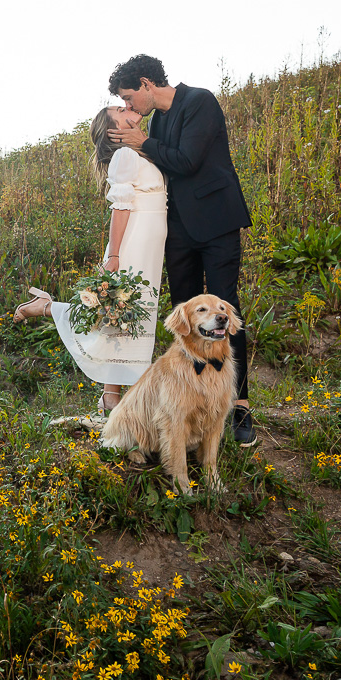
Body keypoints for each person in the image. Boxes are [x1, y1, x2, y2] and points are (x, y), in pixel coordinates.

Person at [104, 54, 256, 446]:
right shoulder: (156, 121)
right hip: (179, 231)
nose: (129, 106)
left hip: (218, 224)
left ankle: (238, 405)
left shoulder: (199, 102)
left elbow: (187, 161)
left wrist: (143, 142)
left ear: (145, 84)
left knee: (226, 308)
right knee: (186, 313)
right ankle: (194, 397)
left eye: (128, 97)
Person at [13, 105, 167, 418]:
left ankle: (111, 396)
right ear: (114, 129)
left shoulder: (139, 149)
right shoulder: (125, 156)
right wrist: (114, 255)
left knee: (123, 316)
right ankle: (46, 308)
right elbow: (120, 208)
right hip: (133, 241)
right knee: (120, 313)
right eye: (120, 109)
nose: (128, 108)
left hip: (150, 241)